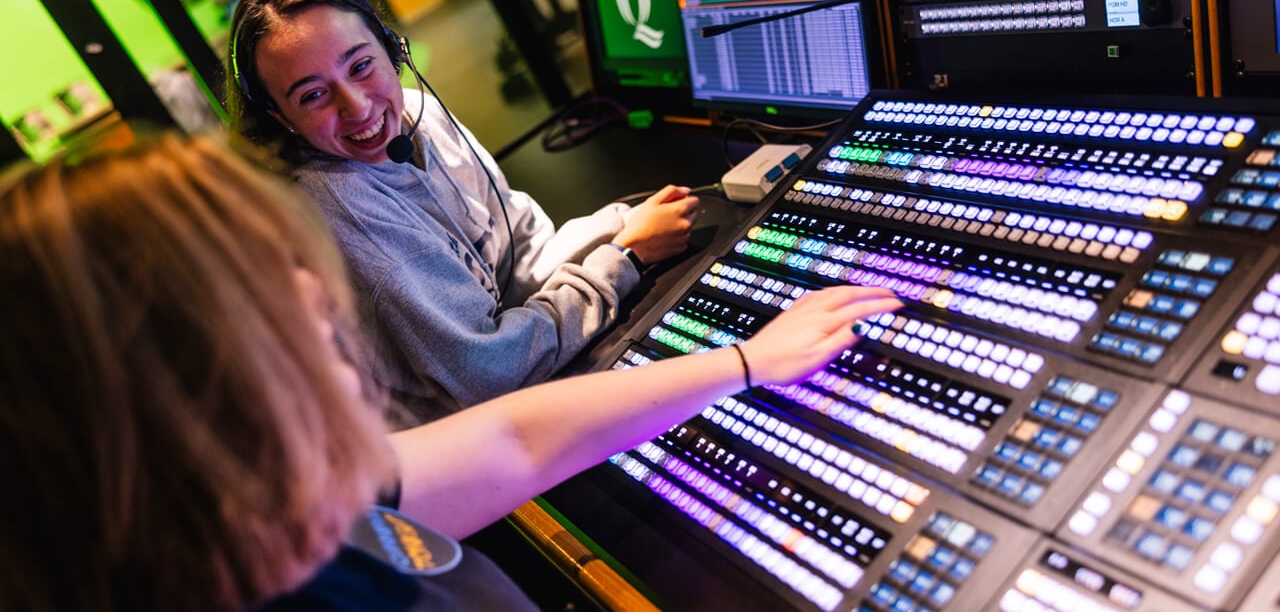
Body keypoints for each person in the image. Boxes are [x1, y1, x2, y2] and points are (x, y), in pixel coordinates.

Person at [0, 133, 901, 612]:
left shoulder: (283, 507)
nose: (323, 304)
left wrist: (744, 363)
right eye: (272, 293)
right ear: (161, 393)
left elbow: (513, 437)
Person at [227, 0, 703, 427]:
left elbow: (525, 256)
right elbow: (489, 374)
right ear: (280, 116)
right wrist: (623, 257)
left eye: (361, 66)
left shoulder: (420, 114)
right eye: (312, 95)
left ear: (393, 48)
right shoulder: (340, 213)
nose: (357, 107)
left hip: (519, 374)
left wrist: (620, 225)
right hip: (459, 442)